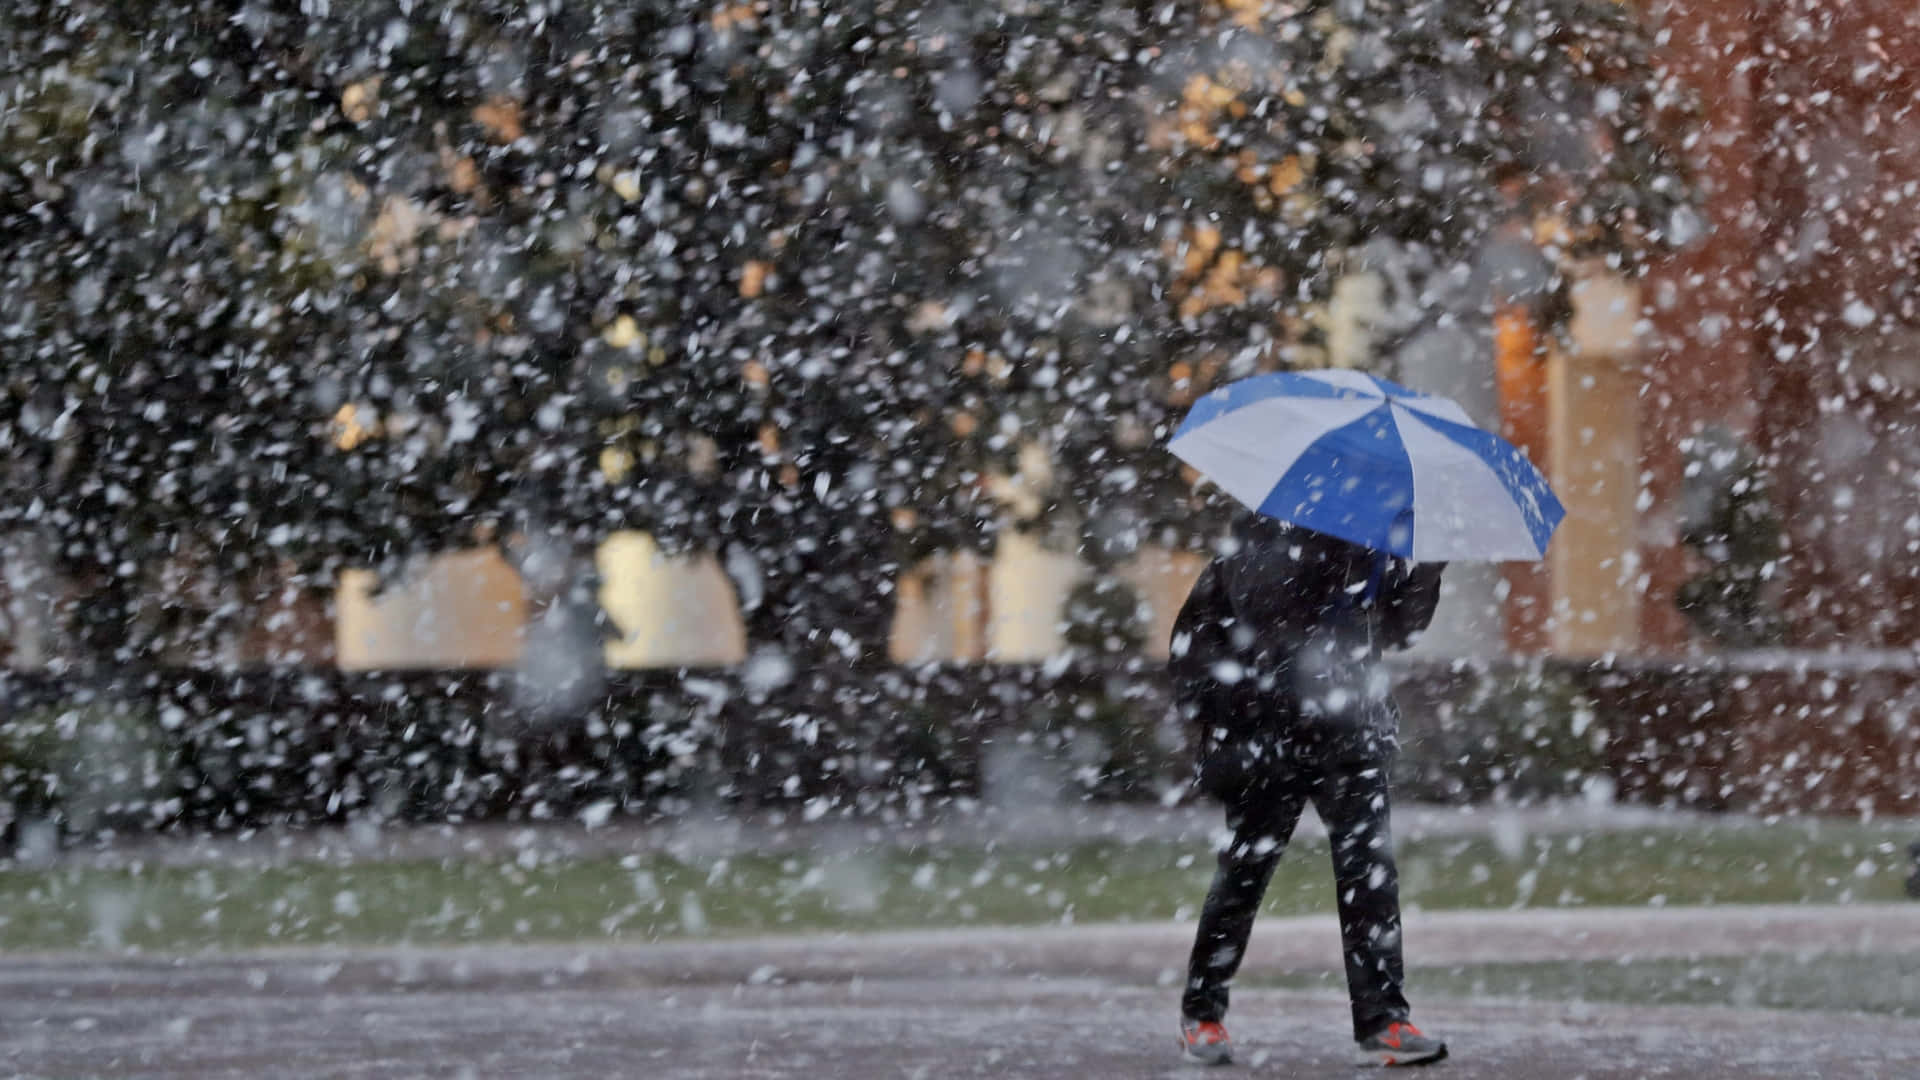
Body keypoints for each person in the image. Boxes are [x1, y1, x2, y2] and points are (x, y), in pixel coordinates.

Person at [1171, 513, 1449, 1067]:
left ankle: (1383, 1022)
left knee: (1370, 872)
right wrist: (1341, 563)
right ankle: (1202, 1012)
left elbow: (1396, 630)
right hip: (1268, 729)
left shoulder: (1375, 539)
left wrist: (1428, 568)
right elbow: (1271, 622)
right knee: (1246, 871)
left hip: (1348, 730)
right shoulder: (1269, 529)